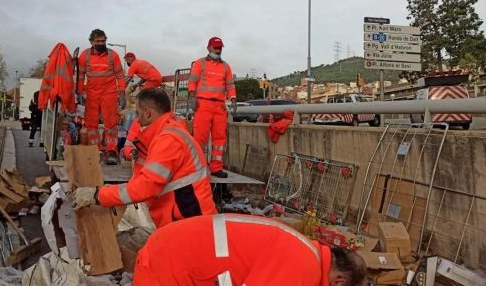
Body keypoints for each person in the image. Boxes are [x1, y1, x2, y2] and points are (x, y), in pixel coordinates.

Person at [72, 88, 217, 228]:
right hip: (188, 219)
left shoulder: (168, 140)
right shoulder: (171, 133)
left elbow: (145, 187)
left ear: (147, 113)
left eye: (137, 113)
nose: (136, 118)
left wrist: (98, 195)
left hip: (189, 224)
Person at [133, 214, 367, 286]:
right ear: (338, 281)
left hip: (172, 250)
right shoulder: (303, 270)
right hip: (168, 265)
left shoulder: (306, 251)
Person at [188, 37, 237, 178]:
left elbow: (230, 85)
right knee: (200, 137)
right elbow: (192, 81)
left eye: (220, 47)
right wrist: (192, 96)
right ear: (209, 48)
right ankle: (197, 167)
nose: (218, 50)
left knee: (219, 139)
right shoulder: (200, 63)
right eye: (216, 47)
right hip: (203, 104)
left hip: (219, 106)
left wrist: (233, 98)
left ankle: (216, 168)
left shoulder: (226, 67)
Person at [77, 29, 126, 164]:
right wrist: (80, 92)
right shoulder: (84, 56)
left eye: (103, 41)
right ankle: (95, 149)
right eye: (98, 41)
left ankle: (111, 150)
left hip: (109, 93)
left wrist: (122, 93)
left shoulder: (113, 55)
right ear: (91, 42)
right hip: (92, 93)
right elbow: (80, 76)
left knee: (111, 123)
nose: (101, 43)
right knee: (91, 123)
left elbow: (120, 76)